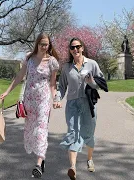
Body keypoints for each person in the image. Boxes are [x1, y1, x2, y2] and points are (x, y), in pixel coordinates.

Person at [0, 32, 60, 178]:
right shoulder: (29, 58)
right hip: (29, 100)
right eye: (42, 44)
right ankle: (42, 158)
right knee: (30, 130)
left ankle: (39, 163)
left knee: (41, 129)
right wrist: (7, 91)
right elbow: (20, 76)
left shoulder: (52, 62)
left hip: (43, 100)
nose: (44, 47)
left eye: (46, 44)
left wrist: (56, 98)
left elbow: (52, 84)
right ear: (37, 44)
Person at [54, 37, 105, 180]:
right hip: (72, 105)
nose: (75, 49)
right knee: (72, 133)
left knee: (88, 132)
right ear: (70, 50)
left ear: (82, 47)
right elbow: (62, 86)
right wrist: (58, 99)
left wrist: (92, 82)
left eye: (77, 47)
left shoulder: (92, 64)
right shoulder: (66, 67)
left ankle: (89, 159)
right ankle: (73, 167)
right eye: (72, 47)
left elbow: (101, 83)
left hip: (88, 104)